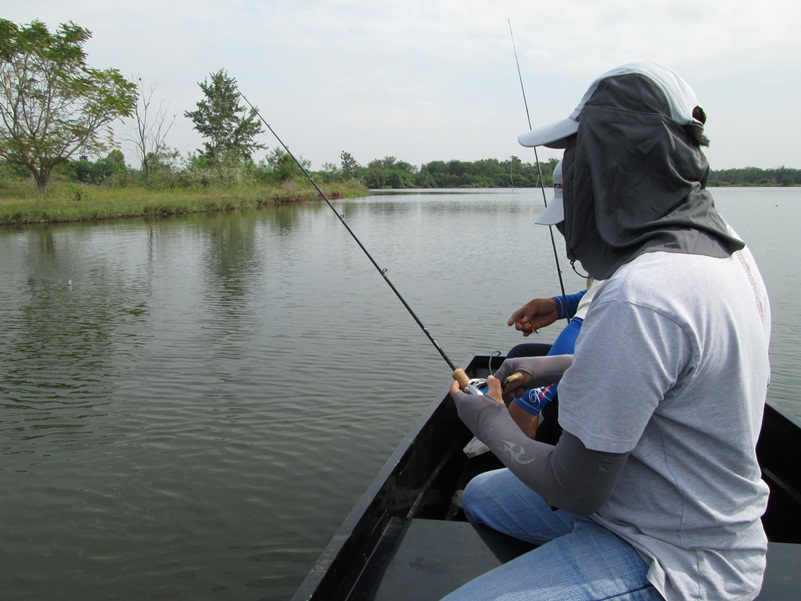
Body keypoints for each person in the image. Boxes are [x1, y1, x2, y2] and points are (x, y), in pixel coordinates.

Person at [446, 62, 771, 601]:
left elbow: (574, 489)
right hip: (651, 504)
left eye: (578, 153)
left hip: (674, 555)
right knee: (483, 496)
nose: (573, 171)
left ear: (611, 161)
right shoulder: (730, 251)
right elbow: (671, 373)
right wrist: (549, 366)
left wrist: (489, 421)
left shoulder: (643, 293)